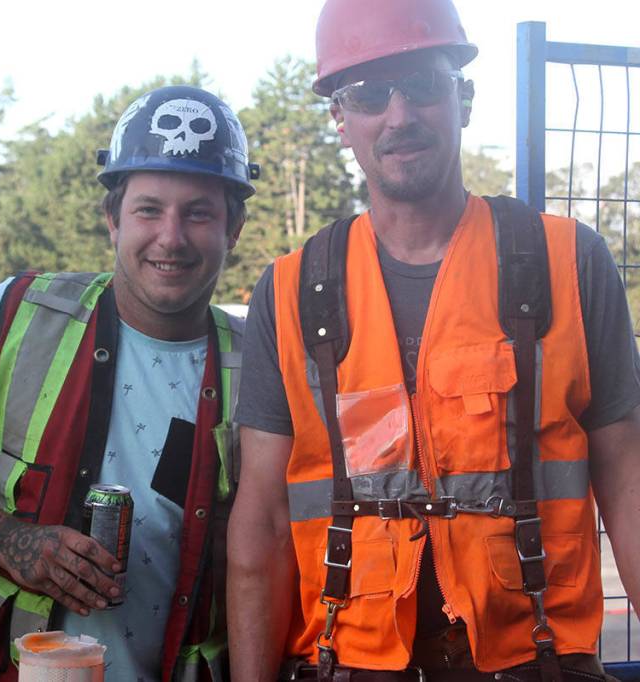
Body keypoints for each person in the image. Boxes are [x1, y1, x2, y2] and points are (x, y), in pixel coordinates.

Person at [227, 1, 640, 680]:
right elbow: (264, 518)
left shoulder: (566, 262)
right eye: (367, 94)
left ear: (464, 98)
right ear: (339, 118)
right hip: (349, 658)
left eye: (422, 83)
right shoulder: (295, 290)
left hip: (534, 656)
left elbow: (628, 478)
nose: (398, 116)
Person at [0, 85, 258, 681]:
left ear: (234, 228)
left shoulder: (259, 372)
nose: (170, 237)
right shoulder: (15, 316)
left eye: (198, 212)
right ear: (112, 219)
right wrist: (12, 543)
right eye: (149, 209)